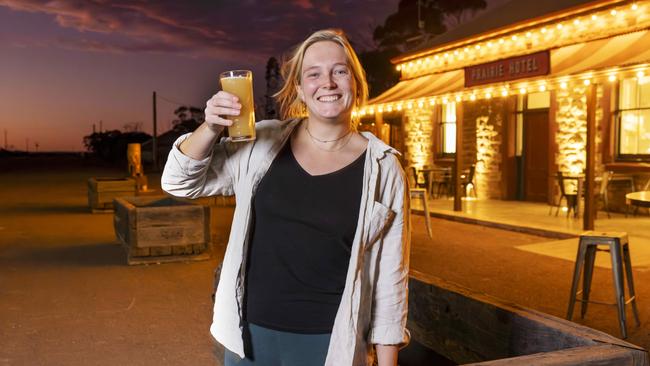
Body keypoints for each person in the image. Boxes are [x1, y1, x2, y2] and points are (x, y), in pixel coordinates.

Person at [161, 28, 410, 366]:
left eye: (339, 70)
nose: (328, 82)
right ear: (299, 90)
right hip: (248, 337)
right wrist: (211, 126)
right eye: (314, 74)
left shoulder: (384, 168)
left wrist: (387, 362)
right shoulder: (261, 143)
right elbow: (179, 182)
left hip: (330, 342)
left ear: (355, 83)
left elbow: (390, 277)